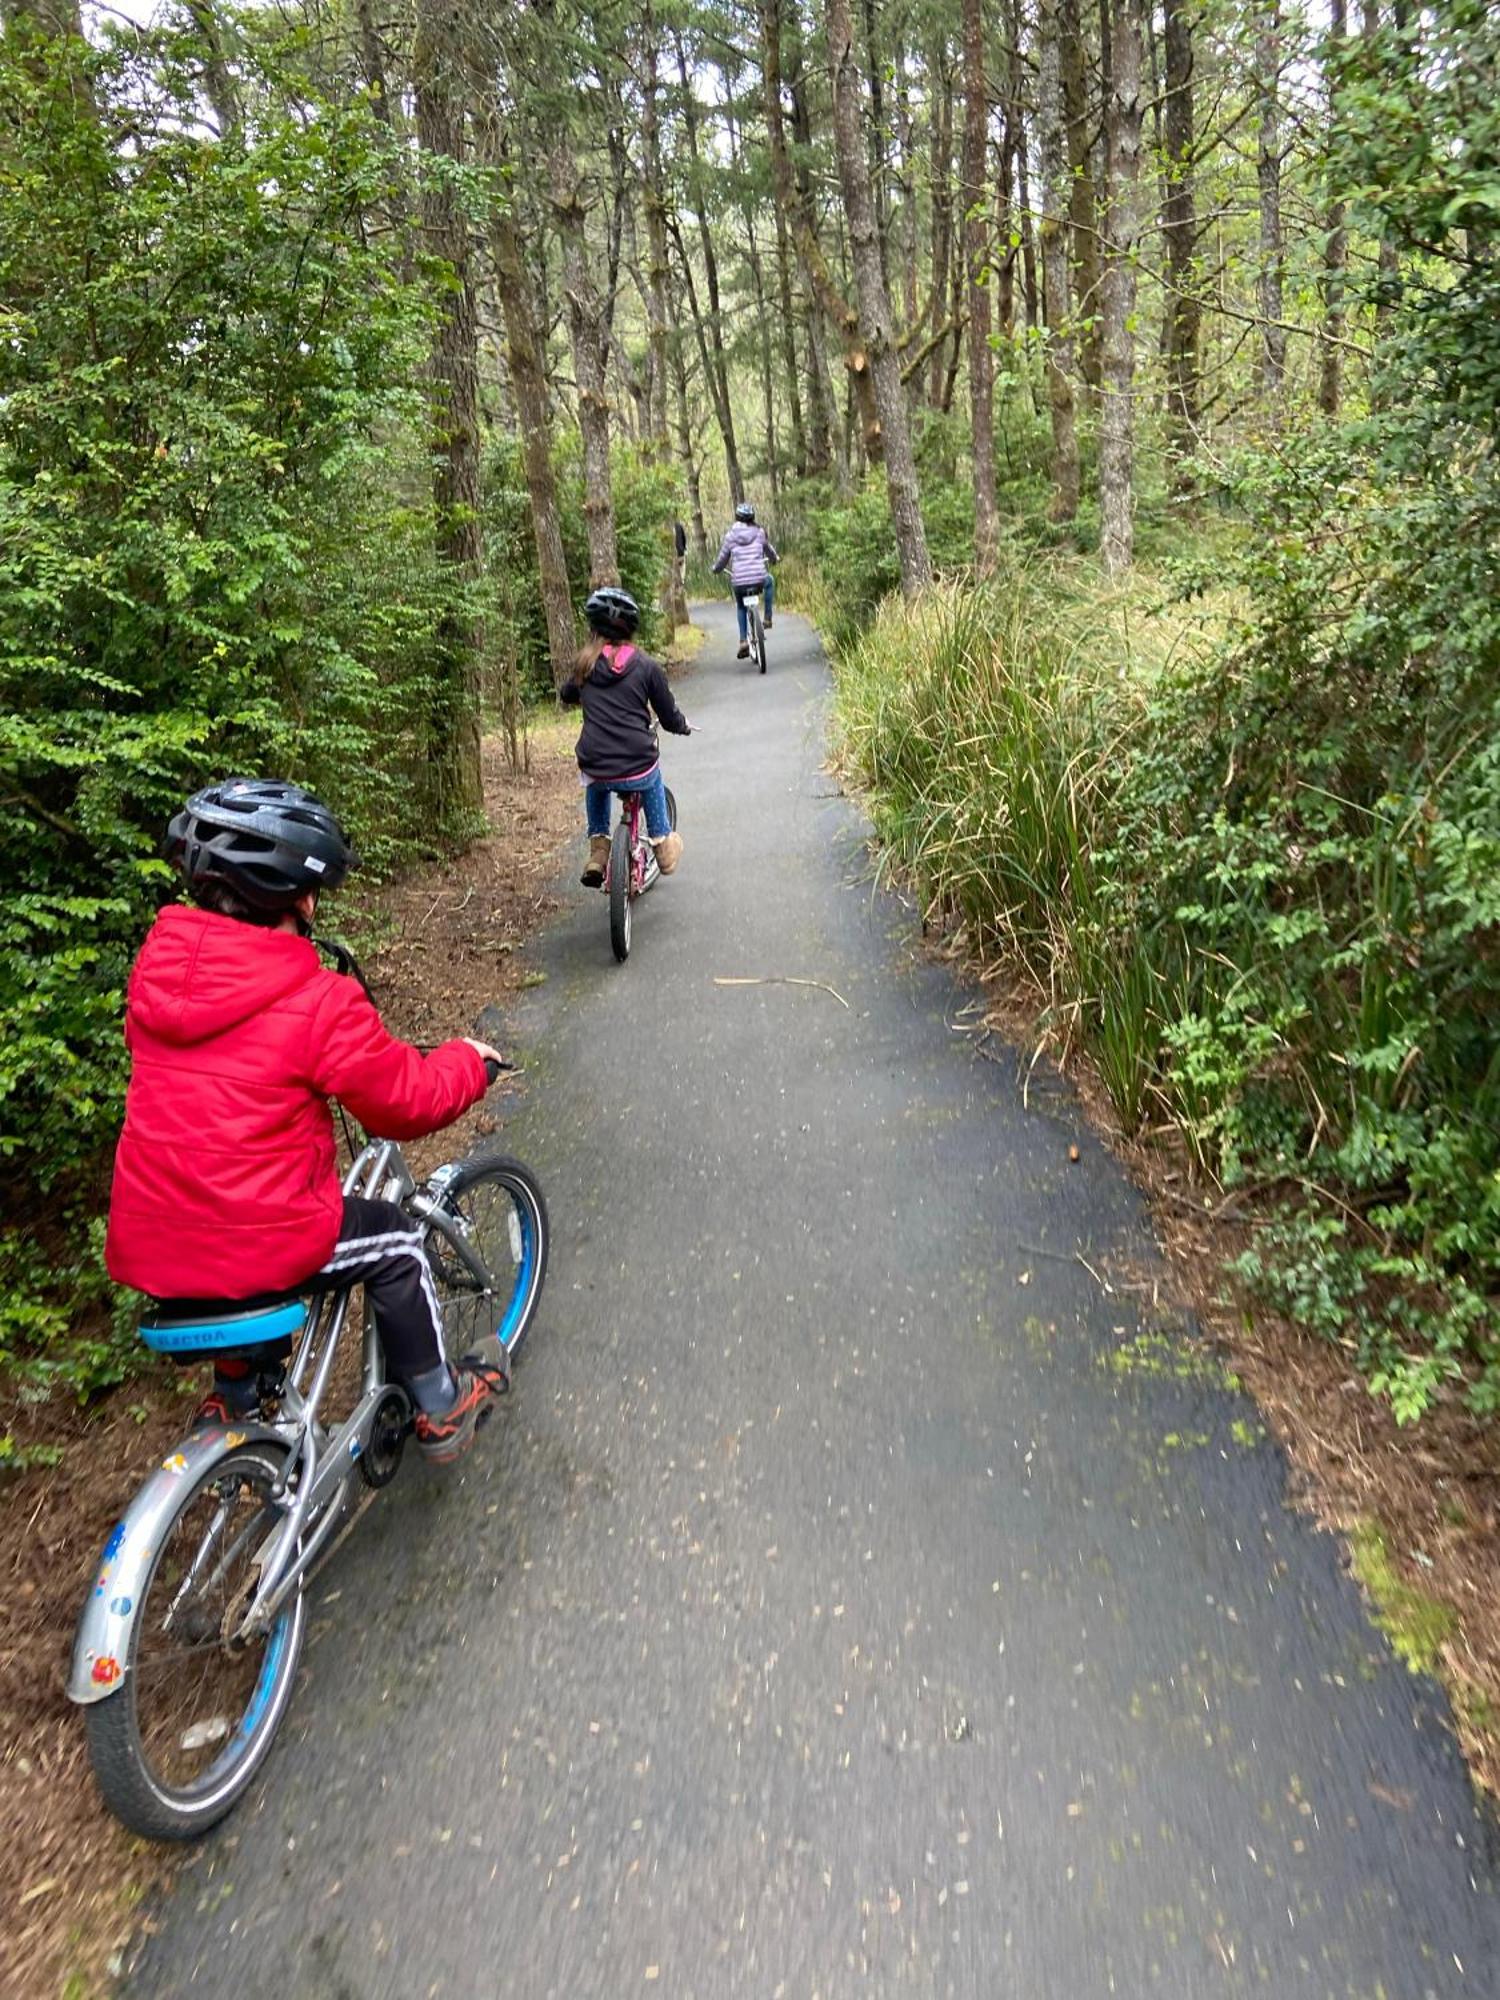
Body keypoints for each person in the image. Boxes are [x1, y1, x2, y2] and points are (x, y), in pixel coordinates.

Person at [104, 779, 507, 1466]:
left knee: (222, 1218)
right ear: (302, 896)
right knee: (396, 1240)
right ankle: (443, 1406)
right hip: (264, 1240)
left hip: (149, 1244)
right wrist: (468, 1060)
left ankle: (235, 1390)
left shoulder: (157, 978)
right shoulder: (316, 999)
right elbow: (406, 1103)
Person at [561, 586, 691, 888]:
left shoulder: (585, 666)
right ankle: (662, 843)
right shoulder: (646, 667)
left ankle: (598, 850)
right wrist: (682, 725)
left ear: (593, 628)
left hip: (596, 763)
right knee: (651, 773)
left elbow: (567, 694)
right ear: (631, 629)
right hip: (637, 765)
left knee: (594, 780)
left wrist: (581, 695)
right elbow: (668, 716)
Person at [712, 502, 779, 659]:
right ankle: (768, 618)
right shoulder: (760, 533)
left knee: (741, 606)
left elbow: (722, 559)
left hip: (740, 582)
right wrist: (775, 559)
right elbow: (769, 550)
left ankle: (743, 640)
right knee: (770, 582)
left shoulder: (730, 536)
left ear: (737, 518)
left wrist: (716, 569)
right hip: (758, 578)